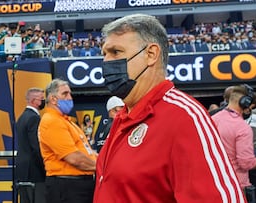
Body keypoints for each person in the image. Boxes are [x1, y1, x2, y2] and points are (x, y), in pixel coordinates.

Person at [94, 13, 245, 202]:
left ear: (151, 54)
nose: (106, 61)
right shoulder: (122, 118)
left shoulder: (184, 117)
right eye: (104, 54)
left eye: (115, 52)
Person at [211, 85, 256, 202]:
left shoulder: (212, 119)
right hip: (236, 187)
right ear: (245, 103)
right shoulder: (242, 127)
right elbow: (246, 163)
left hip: (214, 184)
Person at [38, 78, 97, 203]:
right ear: (53, 99)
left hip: (77, 185)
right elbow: (74, 158)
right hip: (67, 187)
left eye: (70, 93)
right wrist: (101, 166)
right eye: (65, 94)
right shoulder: (51, 121)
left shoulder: (67, 122)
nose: (70, 98)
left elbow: (87, 152)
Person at [15, 88, 46, 203]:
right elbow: (36, 146)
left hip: (22, 169)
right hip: (34, 171)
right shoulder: (34, 118)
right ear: (33, 101)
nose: (44, 101)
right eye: (42, 99)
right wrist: (45, 167)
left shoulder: (21, 117)